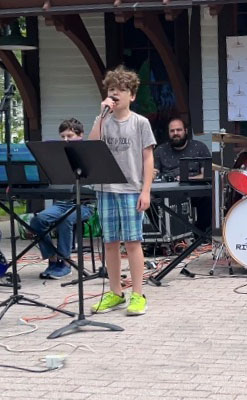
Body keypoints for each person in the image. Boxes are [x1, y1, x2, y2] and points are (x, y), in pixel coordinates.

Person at [88, 65, 156, 316]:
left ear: (132, 95)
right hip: (106, 188)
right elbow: (92, 146)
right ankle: (115, 292)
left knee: (133, 242)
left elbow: (148, 158)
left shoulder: (140, 123)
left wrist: (145, 191)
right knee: (110, 243)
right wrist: (101, 116)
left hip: (130, 189)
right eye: (111, 89)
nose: (114, 94)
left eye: (121, 90)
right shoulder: (102, 120)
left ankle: (138, 294)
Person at [30, 118, 94, 279]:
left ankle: (66, 263)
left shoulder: (89, 154)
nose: (65, 140)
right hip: (63, 202)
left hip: (85, 204)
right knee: (37, 221)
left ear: (80, 135)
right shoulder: (59, 155)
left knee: (65, 220)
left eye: (69, 136)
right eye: (63, 136)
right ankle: (52, 258)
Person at [153, 118, 211, 238]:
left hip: (194, 189)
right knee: (149, 199)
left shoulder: (199, 147)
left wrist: (188, 179)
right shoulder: (160, 151)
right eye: (172, 131)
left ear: (186, 131)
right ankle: (162, 236)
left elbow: (206, 174)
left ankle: (200, 235)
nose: (175, 133)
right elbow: (153, 173)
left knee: (208, 198)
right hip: (168, 192)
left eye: (179, 130)